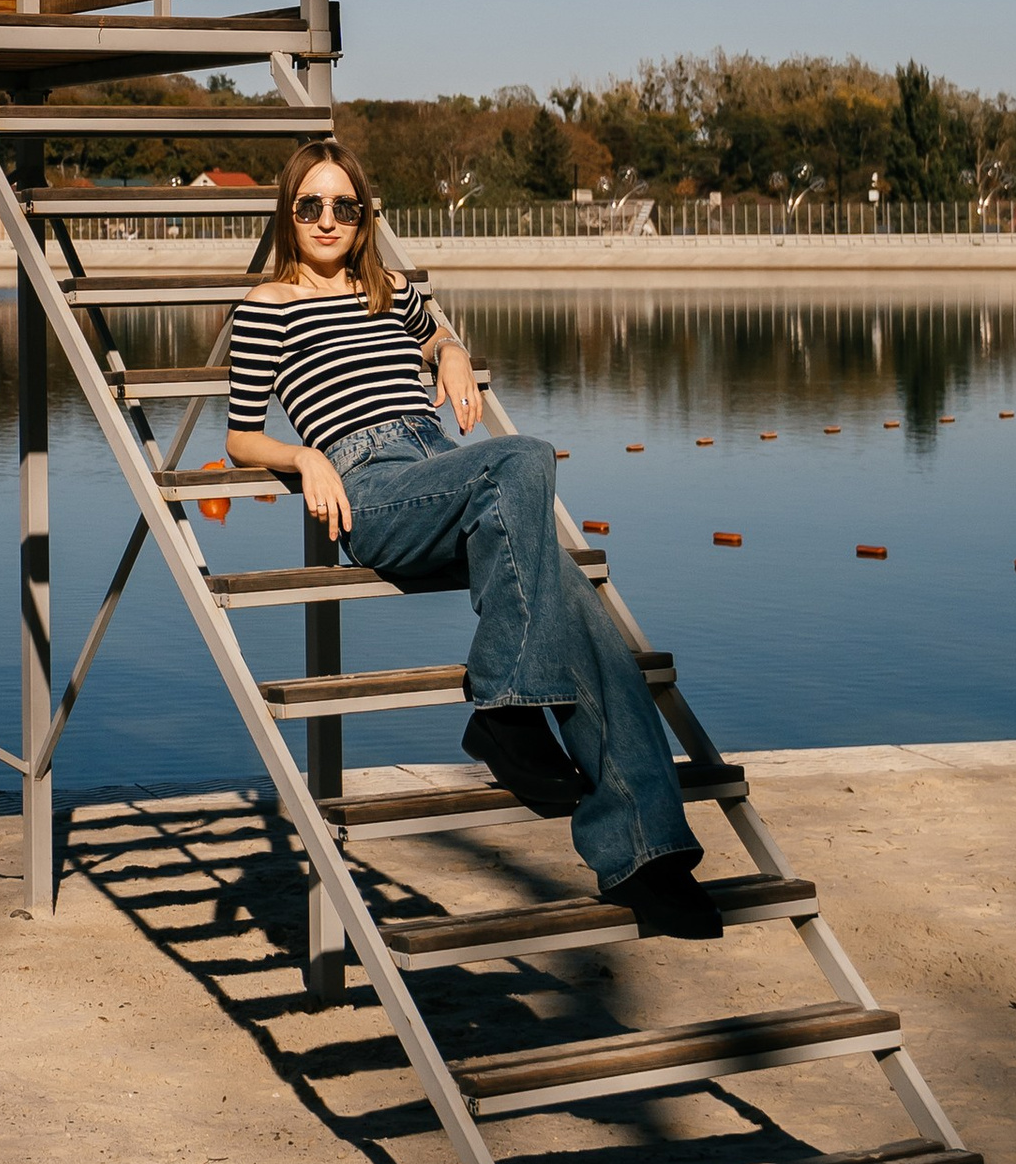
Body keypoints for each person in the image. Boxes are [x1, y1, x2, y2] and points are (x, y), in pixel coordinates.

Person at [224, 142, 720, 936]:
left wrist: (449, 348)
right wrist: (304, 455)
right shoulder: (265, 307)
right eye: (310, 205)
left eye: (343, 207)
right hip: (374, 486)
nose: (326, 220)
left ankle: (649, 858)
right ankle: (500, 704)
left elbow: (434, 334)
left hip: (444, 472)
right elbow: (241, 437)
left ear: (364, 217)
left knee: (593, 636)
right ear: (288, 213)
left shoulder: (387, 290)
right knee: (522, 455)